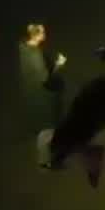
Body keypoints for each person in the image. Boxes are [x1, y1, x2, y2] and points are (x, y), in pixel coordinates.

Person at [18, 23, 67, 168]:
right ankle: (47, 161)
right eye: (42, 32)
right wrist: (59, 65)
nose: (45, 34)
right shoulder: (35, 55)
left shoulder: (23, 47)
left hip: (32, 94)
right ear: (36, 35)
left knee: (44, 127)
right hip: (43, 97)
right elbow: (46, 79)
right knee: (48, 128)